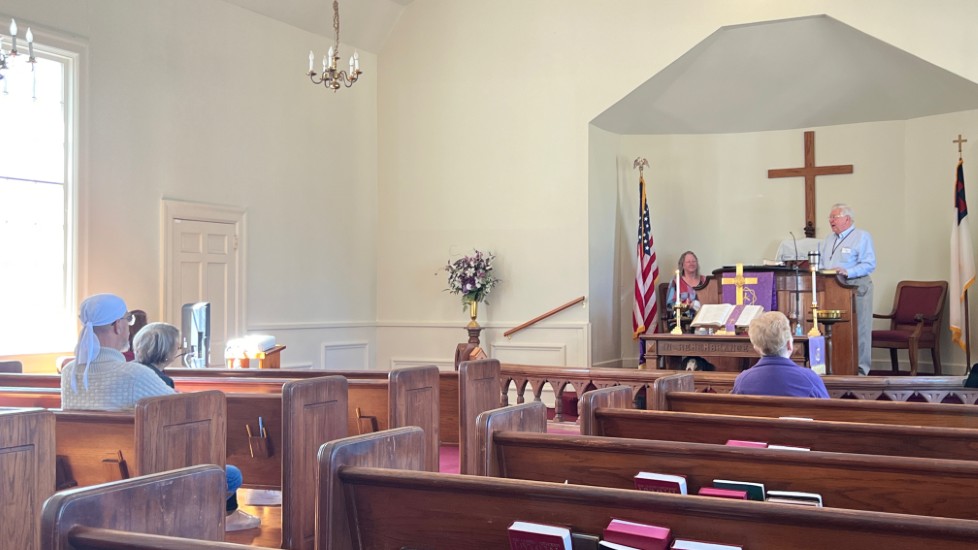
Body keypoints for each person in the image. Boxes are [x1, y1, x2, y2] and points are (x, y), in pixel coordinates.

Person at [61, 294, 260, 531]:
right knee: (229, 474)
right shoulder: (133, 374)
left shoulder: (69, 372)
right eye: (127, 320)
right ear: (117, 326)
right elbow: (190, 413)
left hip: (86, 477)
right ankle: (205, 521)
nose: (128, 328)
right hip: (139, 479)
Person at [818, 203, 876, 375]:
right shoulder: (828, 239)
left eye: (834, 217)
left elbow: (869, 264)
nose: (831, 220)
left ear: (847, 219)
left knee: (860, 330)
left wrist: (848, 271)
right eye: (830, 217)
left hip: (857, 287)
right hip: (834, 289)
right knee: (835, 328)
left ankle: (860, 372)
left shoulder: (861, 236)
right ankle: (837, 368)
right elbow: (822, 262)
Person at [732, 311, 829, 398]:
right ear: (789, 345)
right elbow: (827, 410)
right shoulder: (810, 379)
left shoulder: (743, 381)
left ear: (756, 348)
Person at [132, 322, 179, 388]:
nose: (178, 350)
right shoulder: (162, 380)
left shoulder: (127, 368)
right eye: (178, 347)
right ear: (166, 350)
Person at [665, 250, 706, 318]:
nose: (691, 263)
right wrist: (689, 306)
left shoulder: (704, 280)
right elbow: (670, 305)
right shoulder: (676, 282)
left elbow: (711, 300)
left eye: (694, 261)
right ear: (683, 265)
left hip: (703, 318)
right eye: (688, 262)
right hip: (683, 319)